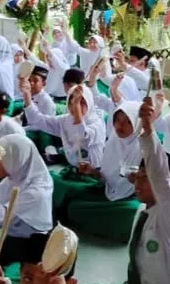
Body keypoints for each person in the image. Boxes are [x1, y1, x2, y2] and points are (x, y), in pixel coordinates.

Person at [73, 96, 170, 284]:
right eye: (137, 177)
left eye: (144, 179)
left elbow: (160, 174)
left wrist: (147, 128)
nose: (137, 183)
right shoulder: (142, 210)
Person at [57, 101, 143, 243]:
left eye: (128, 122)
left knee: (131, 213)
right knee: (64, 189)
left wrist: (137, 179)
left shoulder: (143, 148)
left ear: (137, 123)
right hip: (104, 188)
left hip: (128, 198)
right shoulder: (113, 140)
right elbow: (105, 175)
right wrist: (92, 171)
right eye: (118, 120)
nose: (120, 125)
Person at [0, 134, 55, 272]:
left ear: (15, 158)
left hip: (27, 249)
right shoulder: (17, 177)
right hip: (11, 239)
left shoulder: (36, 191)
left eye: (1, 158)